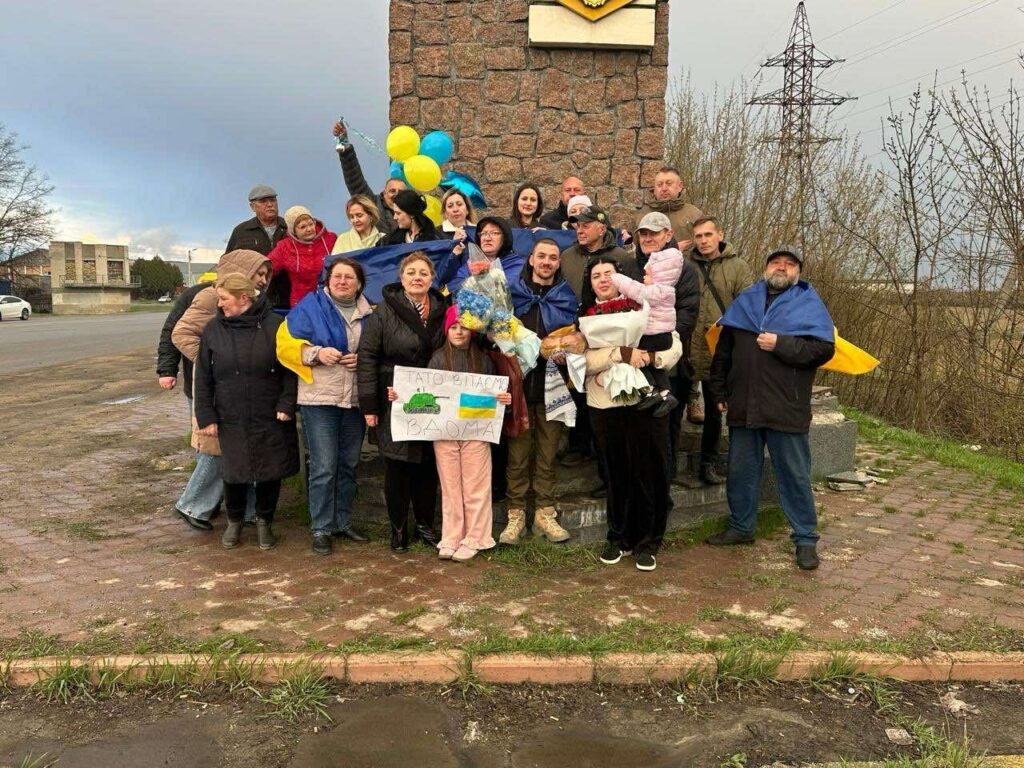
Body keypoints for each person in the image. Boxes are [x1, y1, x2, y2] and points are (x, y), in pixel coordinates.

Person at [705, 247, 835, 571]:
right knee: (741, 472)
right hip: (744, 403)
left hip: (785, 406)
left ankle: (805, 539)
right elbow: (724, 351)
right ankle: (741, 527)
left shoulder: (808, 304)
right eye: (776, 262)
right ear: (766, 268)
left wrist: (781, 344)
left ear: (798, 272)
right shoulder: (745, 302)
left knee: (794, 475)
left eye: (789, 264)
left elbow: (823, 350)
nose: (781, 267)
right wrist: (718, 389)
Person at [581, 257, 682, 572]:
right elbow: (582, 361)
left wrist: (649, 357)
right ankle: (619, 537)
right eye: (596, 275)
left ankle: (649, 541)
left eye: (609, 273)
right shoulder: (584, 317)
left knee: (649, 472)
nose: (603, 279)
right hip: (604, 404)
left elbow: (674, 345)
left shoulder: (644, 308)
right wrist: (620, 354)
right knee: (615, 474)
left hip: (645, 403)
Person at [194, 274, 299, 550]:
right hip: (230, 412)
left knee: (270, 470)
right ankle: (235, 521)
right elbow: (203, 377)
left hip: (270, 412)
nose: (220, 304)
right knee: (234, 470)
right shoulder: (213, 329)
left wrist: (287, 403)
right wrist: (206, 416)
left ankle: (264, 522)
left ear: (244, 298)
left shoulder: (277, 325)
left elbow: (290, 369)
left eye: (224, 298)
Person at [170, 250, 272, 530]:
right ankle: (192, 505)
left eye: (266, 275)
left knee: (240, 448)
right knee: (215, 448)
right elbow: (181, 333)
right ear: (243, 269)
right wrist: (212, 361)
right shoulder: (211, 296)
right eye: (259, 273)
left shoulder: (255, 302)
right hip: (215, 386)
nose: (263, 280)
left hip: (239, 386)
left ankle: (245, 510)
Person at [278, 257, 373, 556]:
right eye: (337, 276)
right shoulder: (309, 308)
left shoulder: (370, 314)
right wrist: (316, 353)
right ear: (327, 280)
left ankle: (342, 522)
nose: (342, 281)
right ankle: (321, 527)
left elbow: (378, 349)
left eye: (349, 277)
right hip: (319, 399)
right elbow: (285, 345)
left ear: (359, 284)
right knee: (324, 466)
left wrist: (363, 359)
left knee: (348, 464)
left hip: (354, 399)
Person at [357, 251, 449, 552]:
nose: (417, 278)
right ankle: (398, 528)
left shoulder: (444, 309)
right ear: (401, 278)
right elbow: (367, 356)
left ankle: (425, 525)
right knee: (397, 465)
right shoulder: (384, 311)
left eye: (423, 273)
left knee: (427, 464)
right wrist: (370, 405)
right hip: (394, 397)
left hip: (432, 396)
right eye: (411, 273)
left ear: (432, 279)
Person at [502, 238, 578, 544]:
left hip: (553, 387)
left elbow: (577, 342)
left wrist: (566, 353)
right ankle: (516, 515)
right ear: (531, 259)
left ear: (558, 263)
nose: (547, 262)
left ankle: (545, 514)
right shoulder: (511, 294)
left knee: (547, 455)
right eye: (541, 256)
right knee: (518, 456)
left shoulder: (566, 297)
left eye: (552, 258)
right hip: (519, 387)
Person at [427, 306, 511, 561]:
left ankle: (476, 538)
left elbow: (494, 395)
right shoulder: (437, 359)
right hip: (445, 434)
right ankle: (451, 537)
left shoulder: (483, 360)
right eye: (453, 327)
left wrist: (502, 399)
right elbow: (424, 393)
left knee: (476, 487)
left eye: (463, 327)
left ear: (472, 331)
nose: (458, 331)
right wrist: (400, 396)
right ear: (446, 330)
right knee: (450, 488)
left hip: (476, 433)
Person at [687, 216, 755, 485]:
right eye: (698, 236)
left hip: (718, 347)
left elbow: (747, 306)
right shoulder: (686, 264)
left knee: (715, 411)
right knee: (673, 408)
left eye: (708, 235)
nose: (703, 241)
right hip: (687, 345)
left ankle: (708, 463)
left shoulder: (738, 267)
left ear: (720, 235)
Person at [632, 211, 700, 474]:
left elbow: (686, 316)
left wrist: (653, 345)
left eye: (654, 233)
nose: (648, 238)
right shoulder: (631, 265)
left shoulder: (685, 270)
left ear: (668, 234)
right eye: (643, 233)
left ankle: (664, 483)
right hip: (634, 360)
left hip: (669, 361)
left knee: (665, 428)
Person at [610, 246, 685, 418]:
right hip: (661, 336)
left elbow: (637, 291)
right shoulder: (667, 290)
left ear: (659, 275)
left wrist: (616, 278)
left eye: (648, 274)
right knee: (652, 364)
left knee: (634, 353)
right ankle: (665, 393)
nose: (644, 277)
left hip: (656, 336)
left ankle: (650, 389)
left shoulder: (658, 290)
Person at [333, 120, 406, 235]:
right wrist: (346, 149)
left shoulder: (413, 213)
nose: (396, 194)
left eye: (401, 192)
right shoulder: (373, 204)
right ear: (384, 193)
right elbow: (354, 179)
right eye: (392, 191)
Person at [225, 185, 289, 310]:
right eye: (263, 201)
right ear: (252, 207)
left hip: (290, 301)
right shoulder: (241, 231)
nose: (270, 205)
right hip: (254, 303)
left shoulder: (291, 228)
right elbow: (228, 264)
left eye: (273, 200)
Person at [267, 206, 338, 308]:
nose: (309, 229)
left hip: (331, 300)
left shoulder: (331, 239)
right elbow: (266, 268)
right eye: (303, 227)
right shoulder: (284, 247)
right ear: (294, 231)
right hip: (302, 304)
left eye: (311, 224)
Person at [446, 215, 521, 296]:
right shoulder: (471, 264)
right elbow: (455, 287)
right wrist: (470, 283)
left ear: (505, 237)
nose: (487, 238)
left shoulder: (516, 264)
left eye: (494, 233)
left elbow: (515, 289)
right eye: (483, 233)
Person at [632, 167, 703, 251]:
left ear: (680, 186)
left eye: (669, 184)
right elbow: (634, 252)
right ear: (654, 188)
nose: (664, 188)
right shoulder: (641, 216)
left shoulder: (694, 214)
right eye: (659, 185)